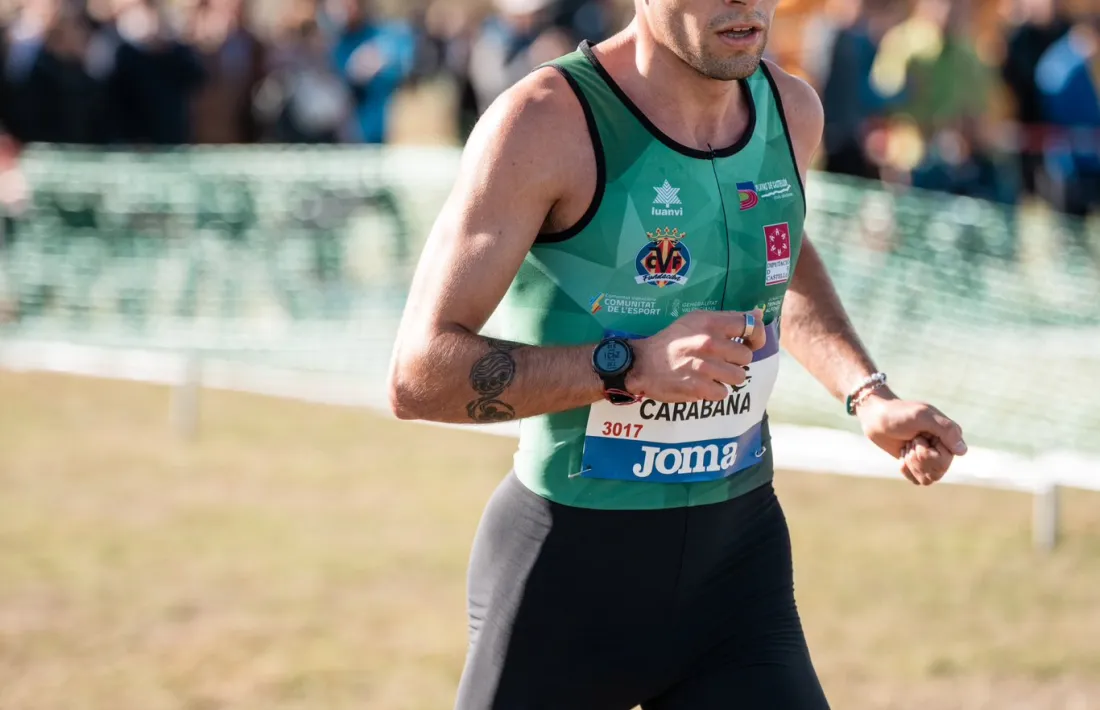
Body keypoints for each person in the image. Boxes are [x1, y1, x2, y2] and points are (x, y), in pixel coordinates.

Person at [388, 0, 968, 708]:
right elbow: (419, 375)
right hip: (566, 578)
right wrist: (628, 367)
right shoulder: (546, 121)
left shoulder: (790, 109)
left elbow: (782, 253)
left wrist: (867, 393)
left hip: (736, 575)